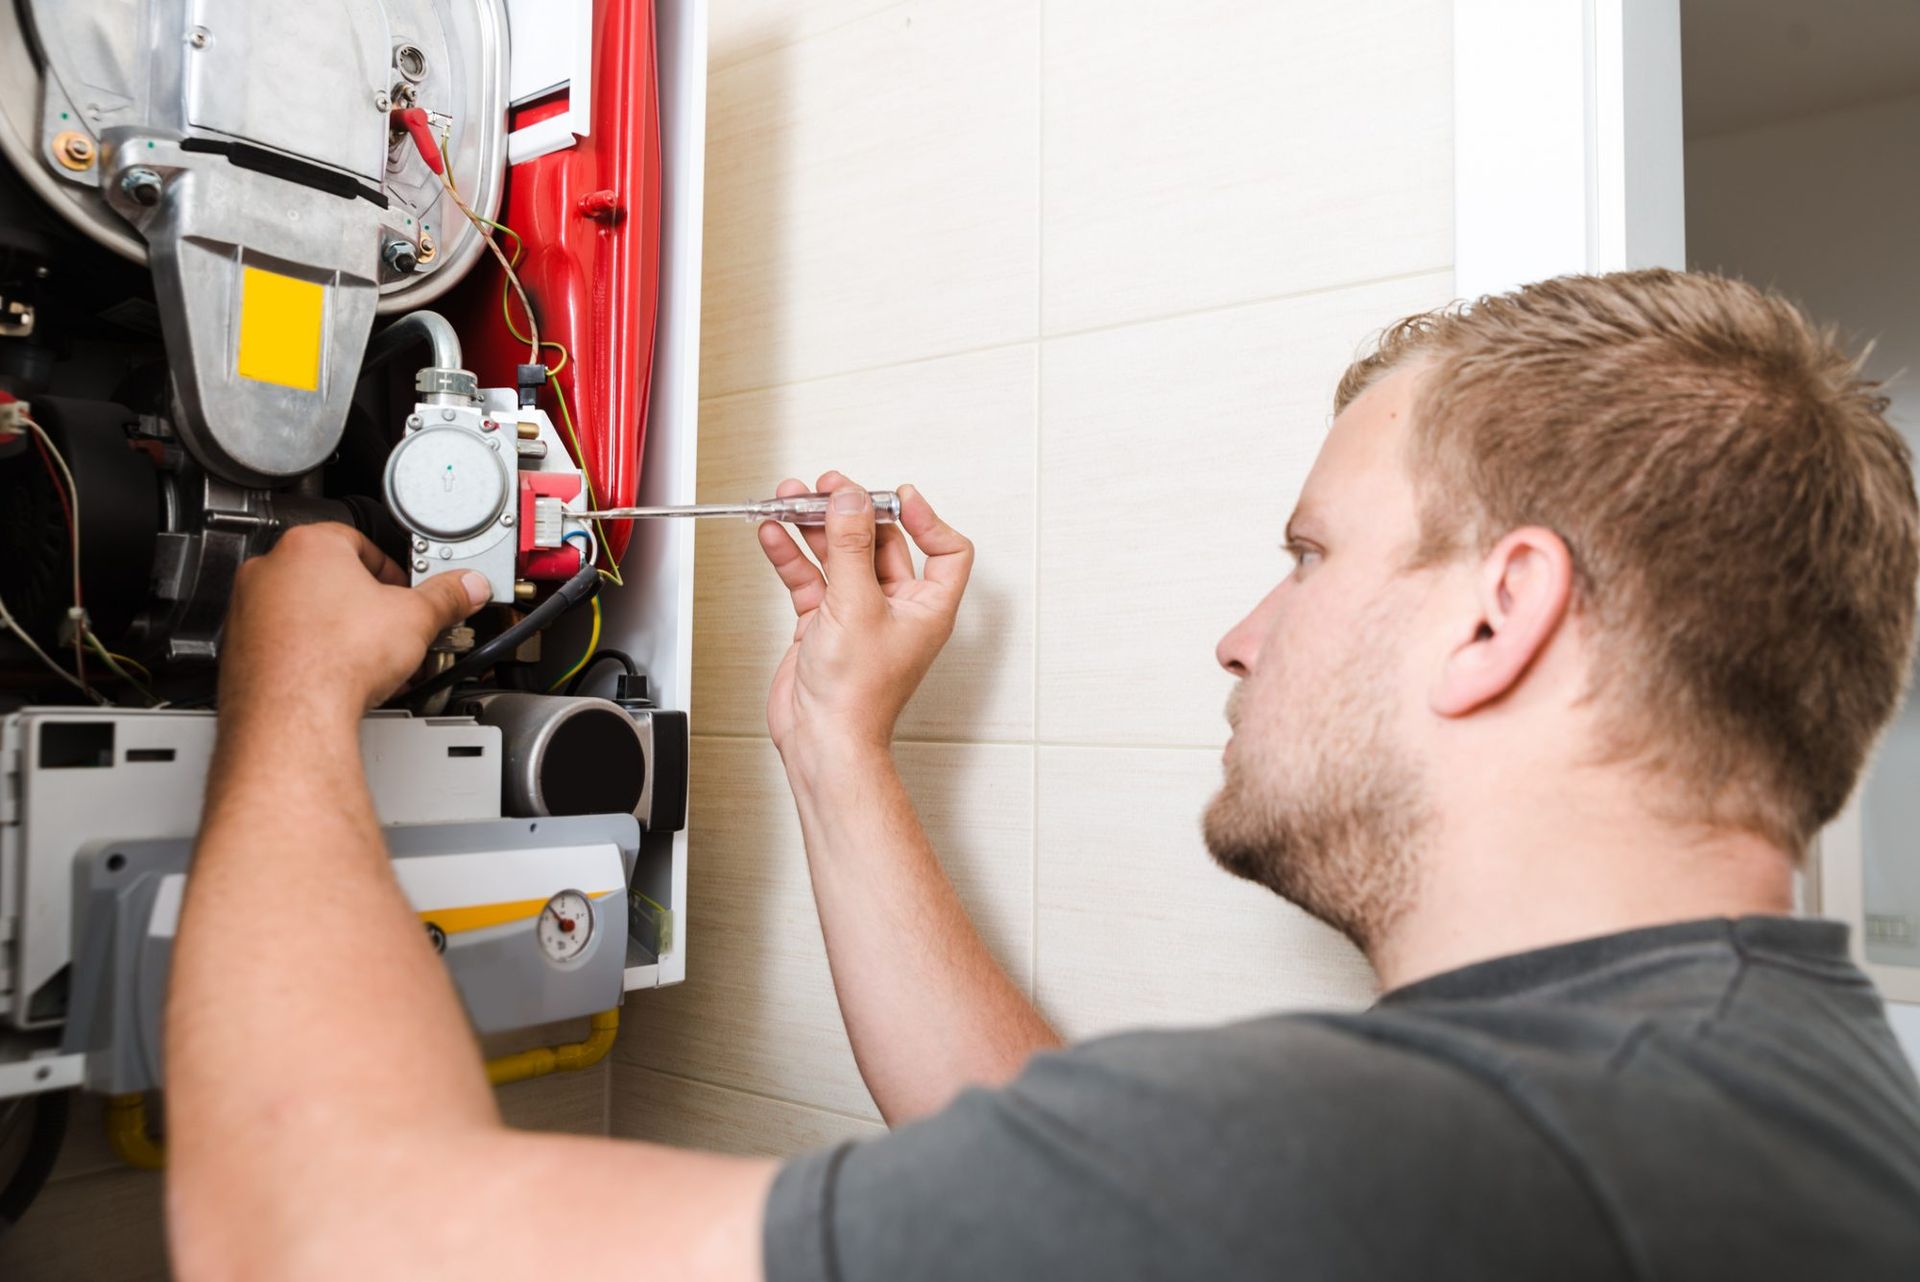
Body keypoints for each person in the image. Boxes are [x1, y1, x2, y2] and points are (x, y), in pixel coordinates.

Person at [164, 269, 1920, 1280]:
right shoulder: (1781, 1081)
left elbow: (306, 1230)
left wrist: (293, 703)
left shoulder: (1389, 1162)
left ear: (1500, 615)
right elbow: (1054, 1177)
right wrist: (835, 737)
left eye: (1308, 557)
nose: (1245, 633)